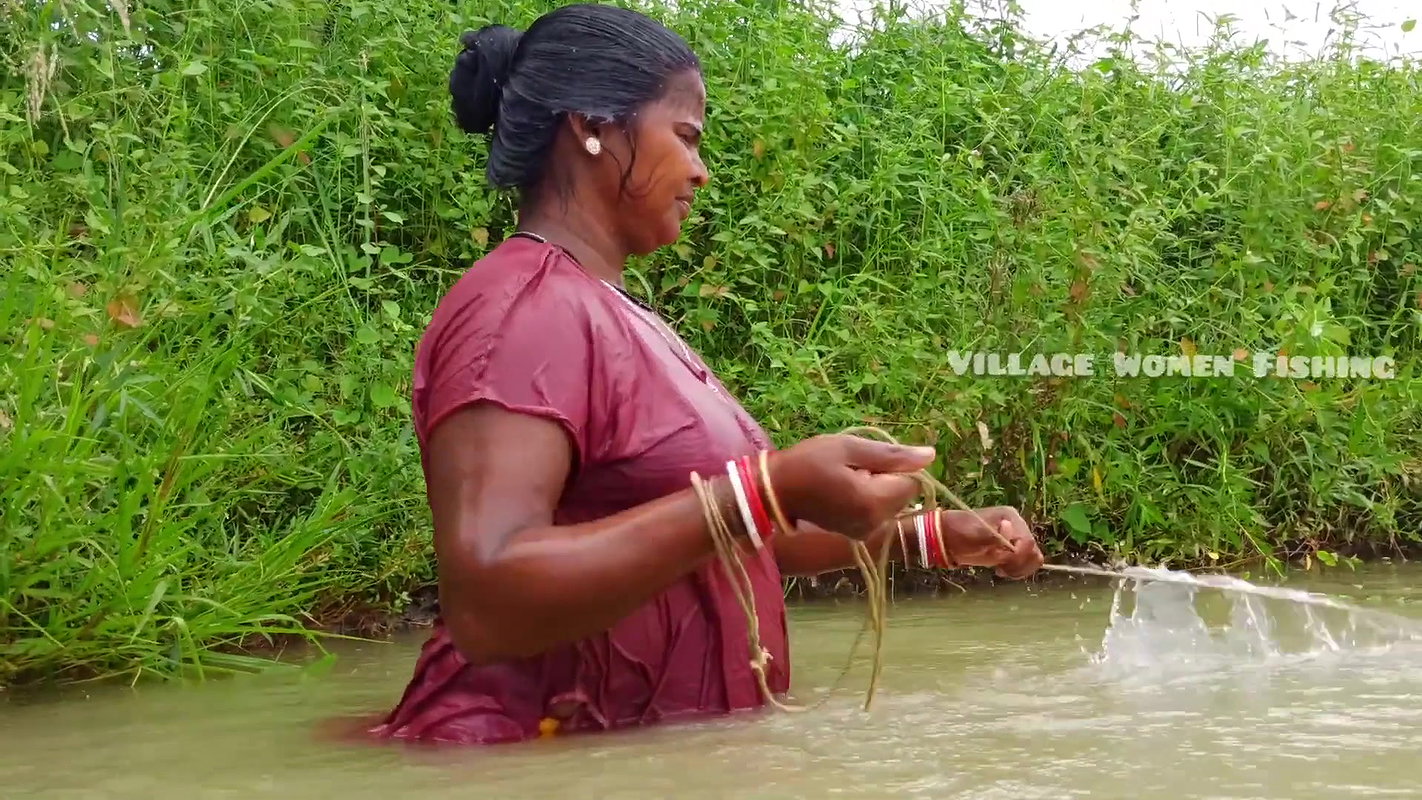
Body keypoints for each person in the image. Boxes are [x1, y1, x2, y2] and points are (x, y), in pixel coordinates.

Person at [368, 3, 1044, 747]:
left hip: (626, 758)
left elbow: (736, 538)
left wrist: (931, 536)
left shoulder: (619, 314)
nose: (701, 169)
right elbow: (491, 599)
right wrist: (765, 489)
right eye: (684, 136)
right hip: (516, 761)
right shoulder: (522, 312)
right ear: (591, 125)